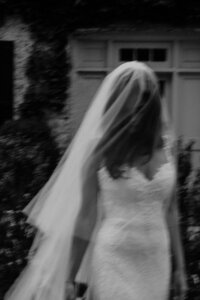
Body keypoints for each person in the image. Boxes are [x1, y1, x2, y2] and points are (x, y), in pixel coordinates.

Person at [4, 61, 187, 300]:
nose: (136, 110)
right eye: (131, 102)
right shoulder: (98, 150)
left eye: (144, 102)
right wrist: (69, 277)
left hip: (156, 259)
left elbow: (171, 210)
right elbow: (86, 216)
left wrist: (180, 267)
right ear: (117, 103)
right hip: (114, 257)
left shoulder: (167, 147)